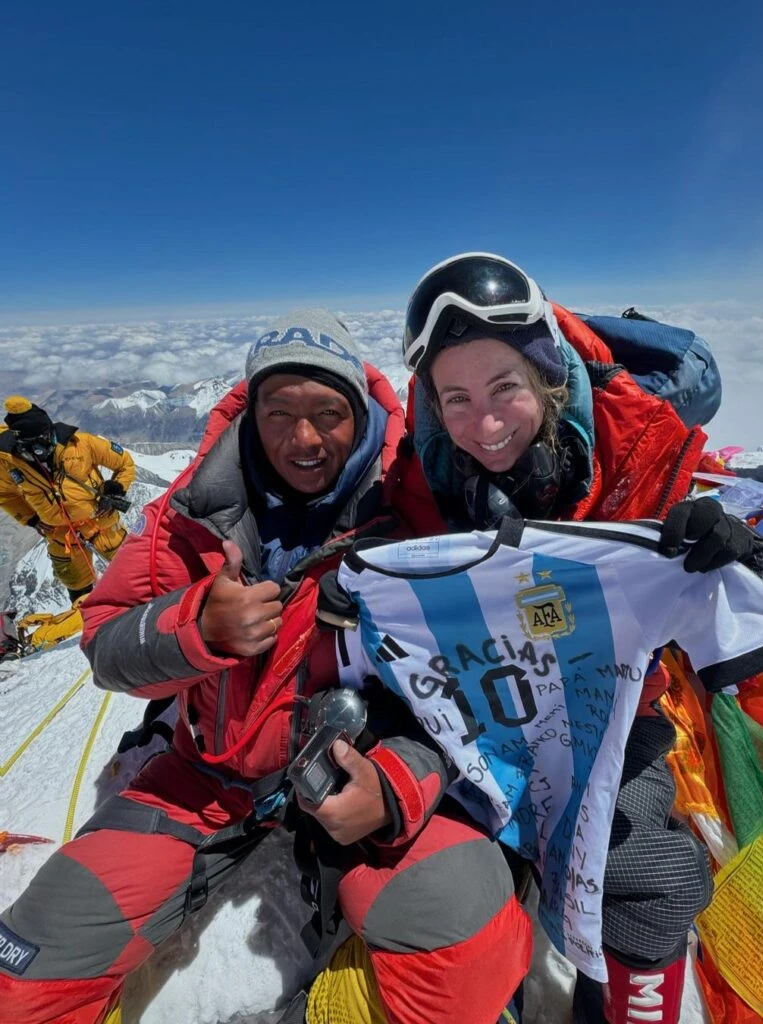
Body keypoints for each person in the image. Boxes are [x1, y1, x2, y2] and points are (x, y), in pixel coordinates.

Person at [0, 311, 531, 1024]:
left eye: (327, 414)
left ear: (364, 415)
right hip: (204, 778)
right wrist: (195, 629)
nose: (302, 438)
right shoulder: (188, 519)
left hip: (361, 771)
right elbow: (106, 646)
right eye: (278, 413)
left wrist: (402, 780)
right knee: (26, 969)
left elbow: (478, 685)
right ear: (249, 418)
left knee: (466, 930)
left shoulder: (418, 524)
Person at [397, 253, 763, 1024]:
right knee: (444, 890)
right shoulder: (418, 482)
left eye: (505, 388)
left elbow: (742, 596)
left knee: (649, 880)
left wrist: (733, 553)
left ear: (547, 380)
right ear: (432, 410)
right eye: (457, 400)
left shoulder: (635, 449)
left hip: (607, 710)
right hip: (476, 712)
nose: (487, 425)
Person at [0, 399, 135, 602]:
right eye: (32, 443)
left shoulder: (82, 444)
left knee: (133, 571)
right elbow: (6, 494)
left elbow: (124, 463)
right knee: (78, 588)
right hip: (61, 537)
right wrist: (31, 518)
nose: (41, 446)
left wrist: (115, 491)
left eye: (44, 437)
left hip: (101, 525)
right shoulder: (9, 461)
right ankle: (87, 625)